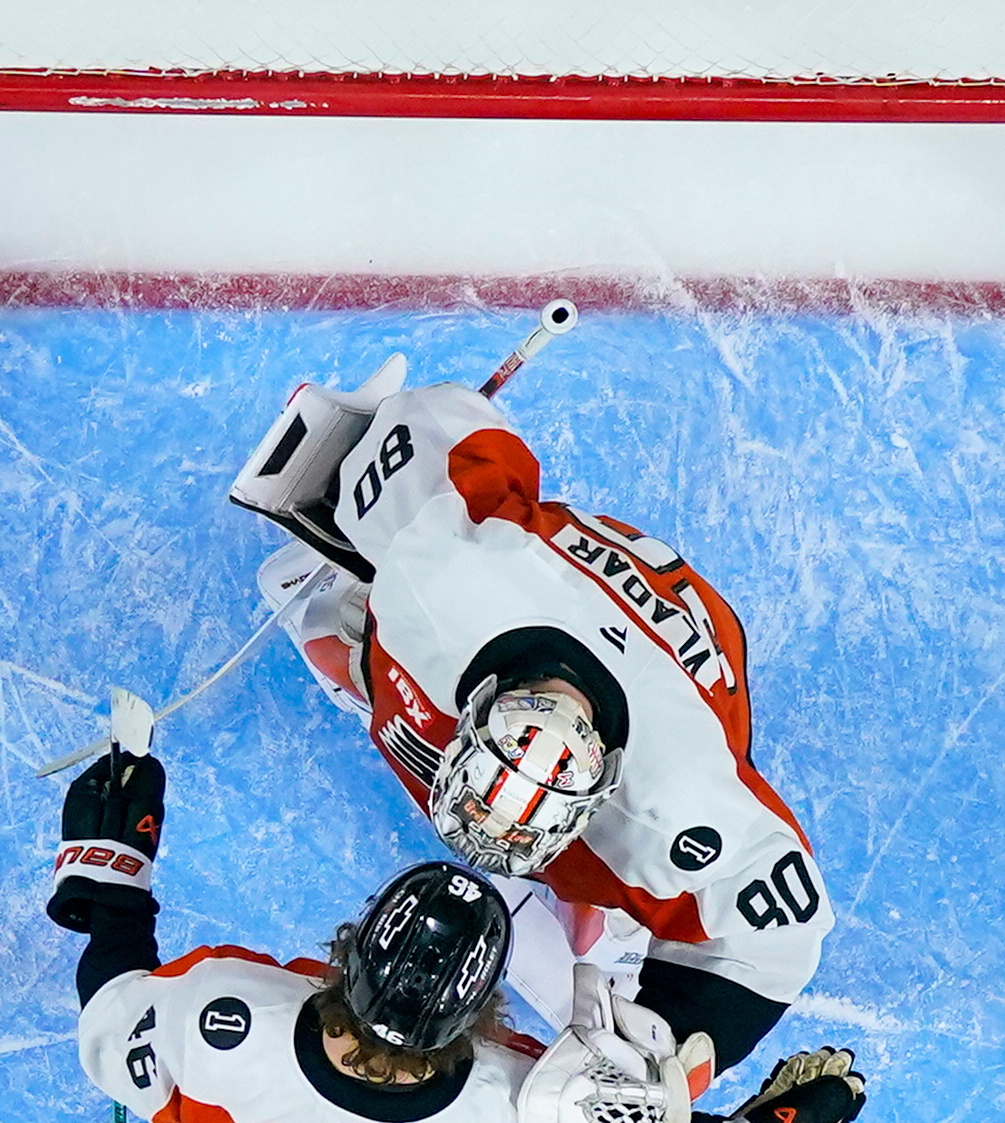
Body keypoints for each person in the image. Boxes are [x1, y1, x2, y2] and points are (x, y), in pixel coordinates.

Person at [44, 697, 867, 1123]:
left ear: (350, 949)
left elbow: (112, 1011)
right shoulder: (518, 1114)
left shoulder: (217, 1011)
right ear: (481, 1004)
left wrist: (109, 881)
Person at [231, 361, 832, 1067]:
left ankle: (600, 906)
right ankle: (358, 639)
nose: (477, 844)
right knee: (353, 640)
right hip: (534, 596)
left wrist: (670, 1064)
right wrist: (347, 476)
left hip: (682, 684)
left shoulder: (681, 805)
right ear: (476, 708)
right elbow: (433, 421)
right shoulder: (440, 573)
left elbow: (775, 944)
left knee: (625, 879)